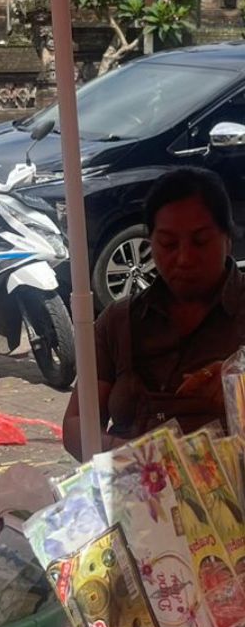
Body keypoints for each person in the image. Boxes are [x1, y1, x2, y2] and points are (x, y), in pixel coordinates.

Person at [62, 167, 245, 460]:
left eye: (200, 241)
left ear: (228, 239)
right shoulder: (119, 321)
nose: (184, 258)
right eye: (168, 244)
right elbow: (76, 423)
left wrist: (237, 387)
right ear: (151, 243)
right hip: (134, 482)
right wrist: (133, 456)